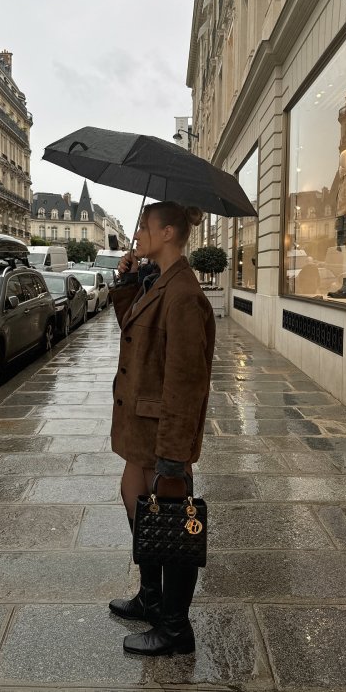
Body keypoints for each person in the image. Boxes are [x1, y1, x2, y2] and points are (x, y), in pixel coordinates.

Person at [107, 201, 216, 657]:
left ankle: (175, 628)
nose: (136, 234)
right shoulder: (160, 282)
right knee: (135, 497)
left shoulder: (184, 294)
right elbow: (136, 332)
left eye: (144, 227)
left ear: (168, 232)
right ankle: (152, 598)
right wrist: (129, 281)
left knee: (173, 521)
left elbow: (187, 381)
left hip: (162, 428)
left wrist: (174, 457)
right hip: (142, 423)